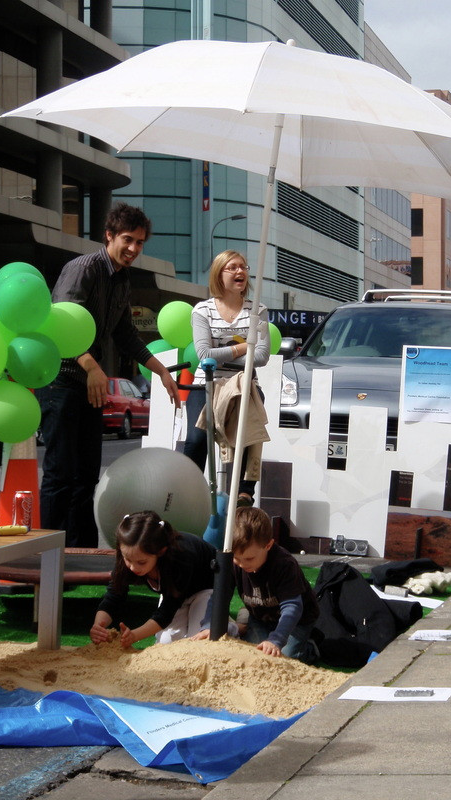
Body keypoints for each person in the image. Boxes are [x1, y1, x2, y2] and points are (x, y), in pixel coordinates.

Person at [36, 203, 179, 548]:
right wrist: (91, 366)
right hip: (62, 382)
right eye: (128, 240)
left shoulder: (122, 279)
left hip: (90, 387)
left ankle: (79, 550)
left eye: (140, 243)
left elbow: (125, 334)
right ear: (109, 236)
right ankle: (45, 555)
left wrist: (161, 371)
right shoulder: (83, 269)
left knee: (86, 477)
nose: (133, 249)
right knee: (60, 475)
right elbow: (59, 326)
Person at [183, 250, 270, 507]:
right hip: (207, 383)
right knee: (197, 438)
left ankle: (244, 494)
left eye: (243, 266)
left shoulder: (258, 311)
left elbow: (262, 356)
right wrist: (243, 348)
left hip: (243, 384)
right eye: (232, 267)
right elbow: (204, 354)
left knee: (247, 437)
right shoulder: (202, 310)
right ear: (219, 274)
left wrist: (223, 354)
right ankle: (185, 488)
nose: (240, 272)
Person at [197, 507, 320, 663]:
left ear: (268, 546)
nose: (241, 564)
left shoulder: (284, 564)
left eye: (249, 559)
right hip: (260, 616)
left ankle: (309, 648)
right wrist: (209, 625)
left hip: (297, 621)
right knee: (252, 652)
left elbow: (292, 607)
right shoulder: (233, 562)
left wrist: (277, 639)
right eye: (236, 558)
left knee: (282, 657)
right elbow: (219, 596)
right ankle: (247, 618)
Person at [90, 510, 217, 647]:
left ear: (161, 552)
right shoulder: (130, 556)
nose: (133, 567)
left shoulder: (180, 559)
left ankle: (228, 625)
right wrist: (99, 626)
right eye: (128, 559)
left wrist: (134, 635)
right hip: (176, 592)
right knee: (166, 642)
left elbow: (166, 612)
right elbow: (114, 594)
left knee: (197, 641)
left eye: (141, 562)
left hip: (207, 587)